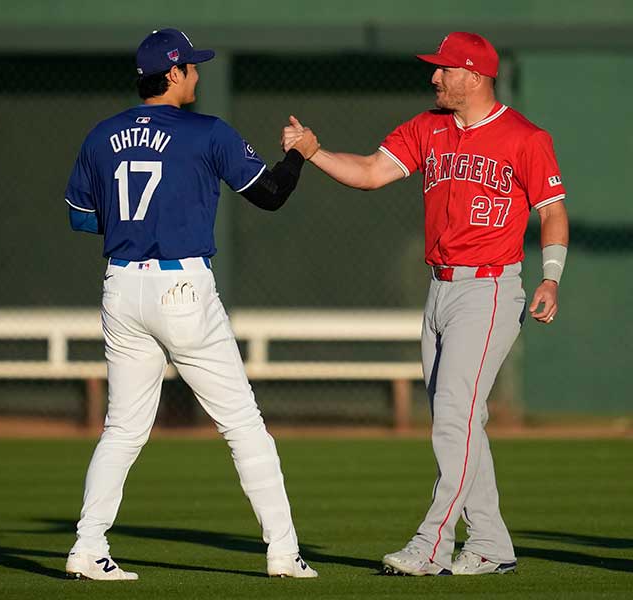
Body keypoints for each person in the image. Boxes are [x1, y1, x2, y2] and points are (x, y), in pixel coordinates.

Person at [283, 31, 569, 576]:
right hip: (439, 289)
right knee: (459, 419)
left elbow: (552, 212)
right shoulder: (427, 128)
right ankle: (489, 542)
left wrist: (551, 277)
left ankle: (432, 543)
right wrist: (313, 151)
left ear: (476, 75)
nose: (434, 77)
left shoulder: (524, 137)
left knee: (453, 420)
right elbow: (370, 173)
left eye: (444, 69)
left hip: (488, 289)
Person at [62, 27, 320, 581]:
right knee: (244, 425)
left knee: (122, 430)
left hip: (121, 286)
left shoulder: (100, 135)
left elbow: (80, 217)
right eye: (193, 67)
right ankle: (283, 552)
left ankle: (87, 547)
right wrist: (298, 156)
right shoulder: (207, 132)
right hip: (182, 288)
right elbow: (270, 196)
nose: (198, 74)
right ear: (173, 73)